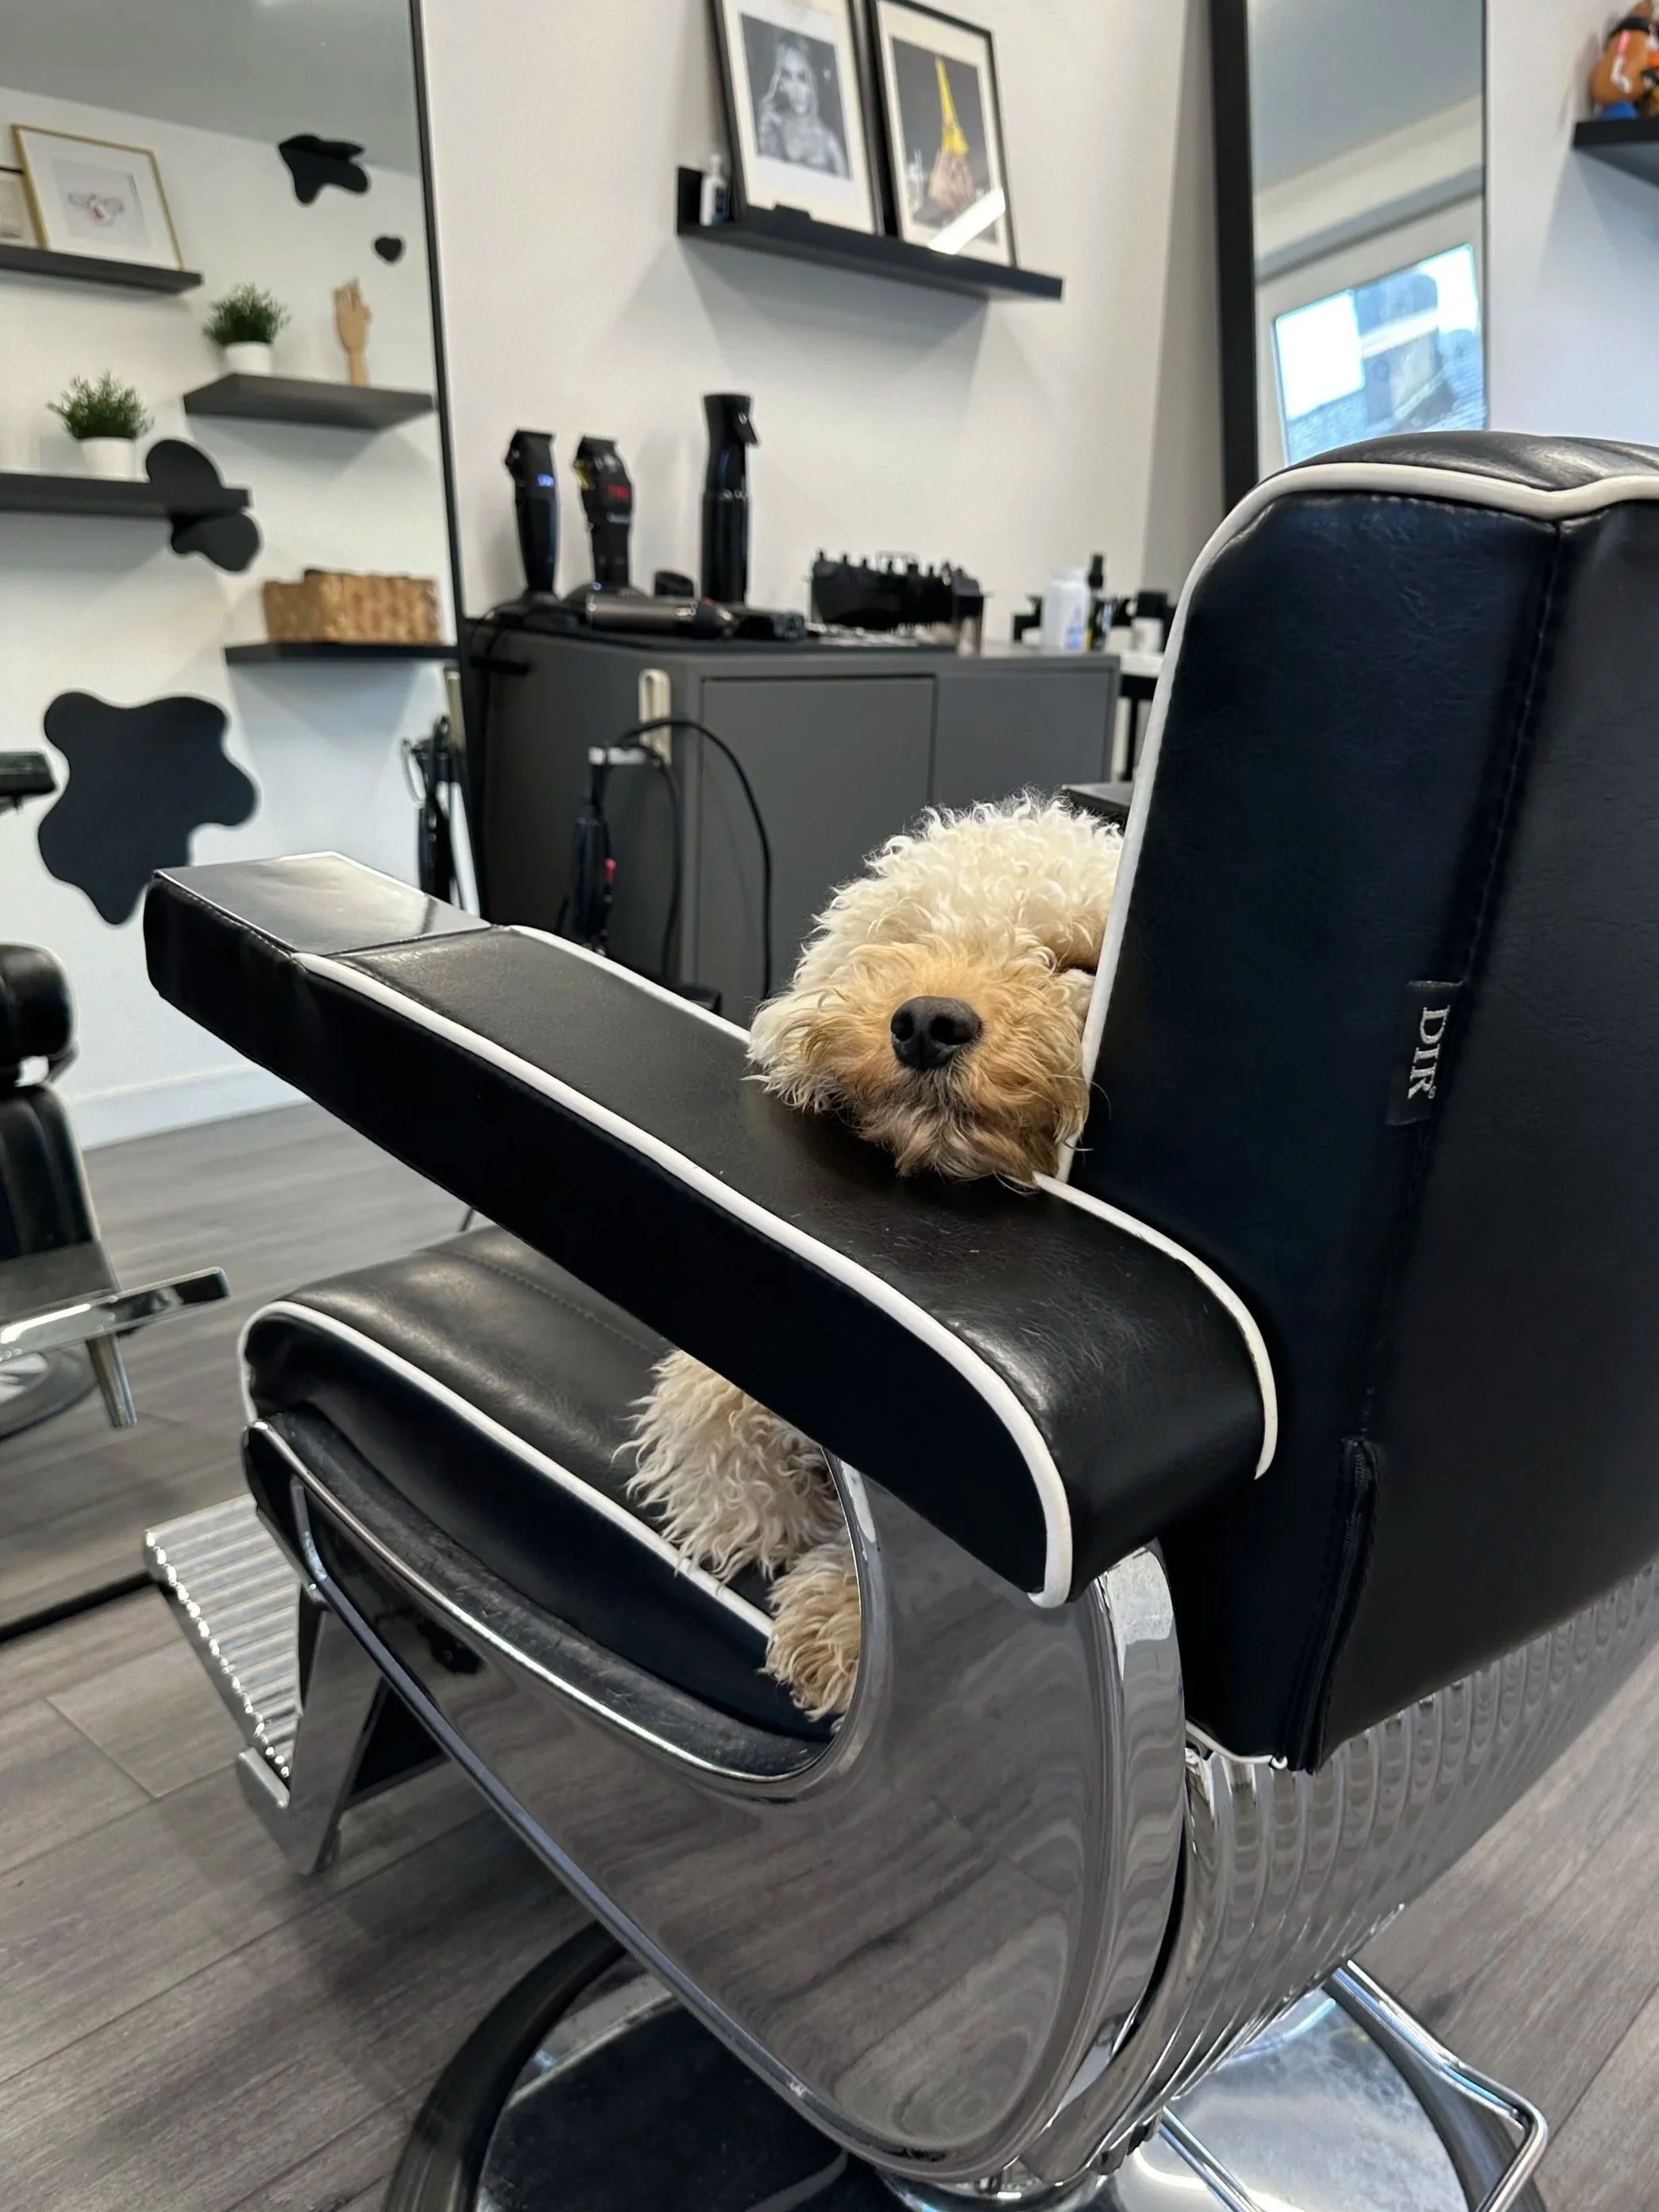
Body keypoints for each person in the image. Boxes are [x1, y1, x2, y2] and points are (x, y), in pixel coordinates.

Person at [757, 37, 848, 176]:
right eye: (787, 76)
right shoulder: (773, 126)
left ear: (816, 77)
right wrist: (764, 131)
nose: (795, 89)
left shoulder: (830, 145)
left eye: (802, 78)